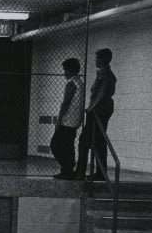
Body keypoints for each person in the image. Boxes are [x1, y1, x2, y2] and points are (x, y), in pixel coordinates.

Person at [76, 48, 118, 181]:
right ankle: (100, 172)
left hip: (98, 111)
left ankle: (80, 171)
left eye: (97, 58)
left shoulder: (105, 74)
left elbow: (102, 92)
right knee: (98, 141)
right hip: (101, 110)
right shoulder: (103, 73)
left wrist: (91, 108)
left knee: (85, 141)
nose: (95, 61)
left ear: (102, 59)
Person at [50, 58, 84, 179]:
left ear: (70, 70)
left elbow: (66, 103)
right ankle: (68, 169)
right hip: (75, 120)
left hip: (67, 120)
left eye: (65, 70)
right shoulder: (80, 82)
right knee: (68, 146)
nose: (64, 72)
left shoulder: (71, 84)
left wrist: (59, 119)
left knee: (55, 144)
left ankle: (67, 168)